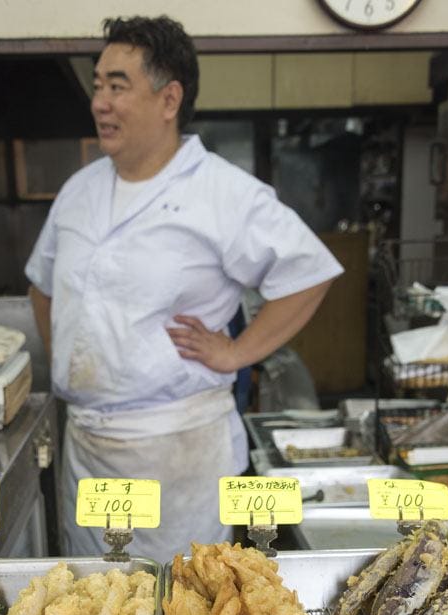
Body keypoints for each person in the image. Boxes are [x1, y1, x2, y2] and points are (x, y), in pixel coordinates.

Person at [26, 14, 343, 563]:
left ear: (169, 99)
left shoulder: (222, 192)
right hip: (88, 448)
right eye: (97, 85)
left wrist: (238, 352)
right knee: (91, 606)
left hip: (177, 450)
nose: (100, 101)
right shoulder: (79, 190)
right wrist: (76, 363)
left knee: (181, 604)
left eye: (118, 86)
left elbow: (308, 272)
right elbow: (42, 285)